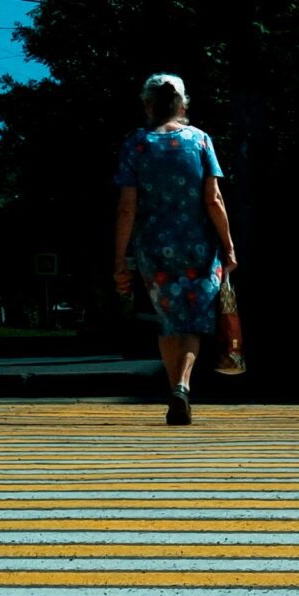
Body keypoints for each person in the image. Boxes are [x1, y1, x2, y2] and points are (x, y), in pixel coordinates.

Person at [112, 72, 237, 425]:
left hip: (155, 248)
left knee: (169, 323)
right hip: (199, 246)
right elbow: (213, 199)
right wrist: (228, 246)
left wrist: (120, 257)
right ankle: (182, 386)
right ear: (183, 104)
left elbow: (126, 206)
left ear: (148, 105)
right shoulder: (200, 141)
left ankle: (174, 390)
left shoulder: (137, 144)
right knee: (193, 324)